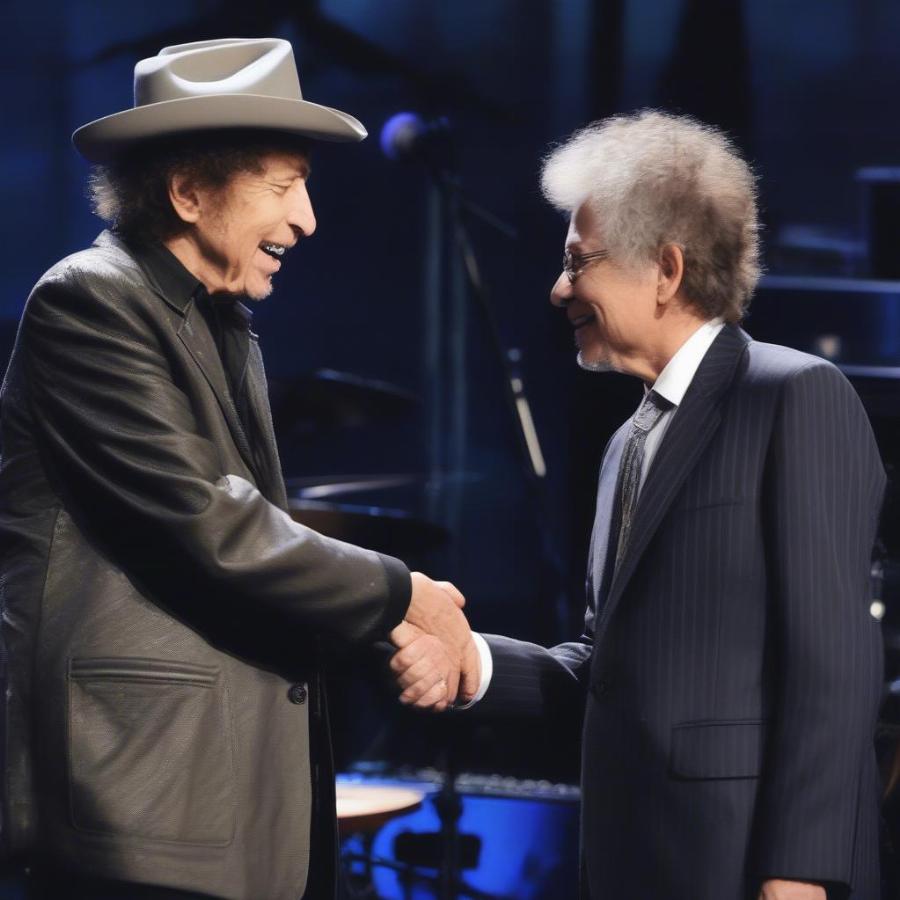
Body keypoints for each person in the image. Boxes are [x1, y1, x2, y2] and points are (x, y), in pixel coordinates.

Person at [0, 37, 478, 900]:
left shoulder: (222, 326)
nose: (306, 219)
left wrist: (389, 629)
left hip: (221, 796)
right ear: (187, 191)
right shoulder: (89, 301)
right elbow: (208, 521)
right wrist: (404, 595)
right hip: (132, 792)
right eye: (284, 184)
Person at [392, 111, 886, 900]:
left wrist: (801, 871)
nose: (559, 290)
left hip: (748, 869)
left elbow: (834, 662)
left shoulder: (795, 395)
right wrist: (471, 660)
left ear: (665, 268)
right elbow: (608, 665)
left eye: (577, 262)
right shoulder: (629, 441)